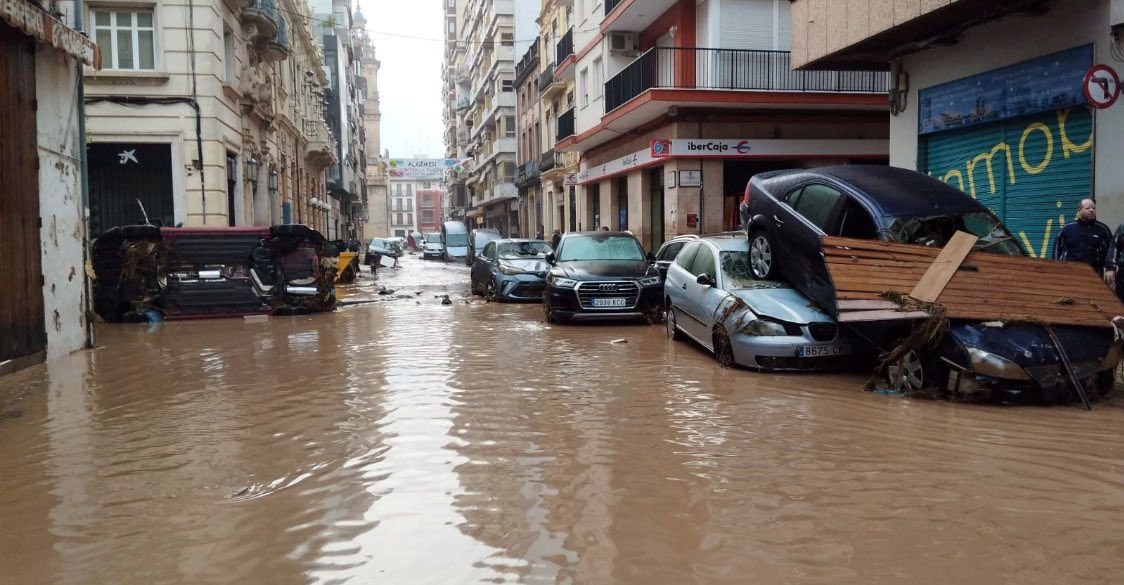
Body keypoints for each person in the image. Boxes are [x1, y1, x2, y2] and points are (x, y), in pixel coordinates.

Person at [1054, 199, 1112, 276]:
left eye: (1093, 208)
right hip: (1070, 274)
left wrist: (1110, 269)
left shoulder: (1102, 229)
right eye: (1088, 208)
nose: (1091, 210)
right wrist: (1055, 269)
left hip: (1095, 274)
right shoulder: (1067, 228)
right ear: (1079, 210)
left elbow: (1111, 250)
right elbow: (1056, 249)